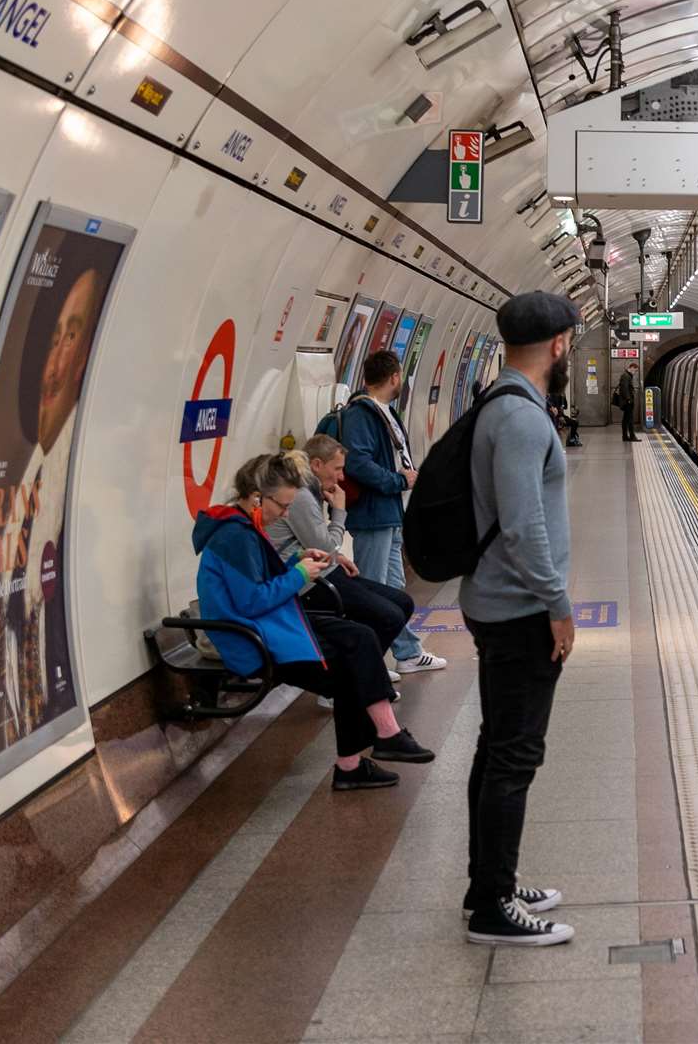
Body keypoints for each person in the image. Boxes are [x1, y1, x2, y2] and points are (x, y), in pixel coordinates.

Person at [193, 454, 434, 789]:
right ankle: (367, 752)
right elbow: (252, 601)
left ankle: (374, 746)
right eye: (283, 505)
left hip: (270, 624)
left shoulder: (240, 527)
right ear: (257, 497)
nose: (286, 513)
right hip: (252, 639)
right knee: (355, 657)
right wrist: (299, 575)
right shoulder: (235, 536)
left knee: (360, 641)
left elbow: (255, 584)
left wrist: (296, 560)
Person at [460, 291, 579, 947]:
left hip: (501, 605)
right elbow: (523, 526)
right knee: (513, 758)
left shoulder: (504, 403)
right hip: (519, 613)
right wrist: (558, 605)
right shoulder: (524, 420)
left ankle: (491, 883)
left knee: (496, 749)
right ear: (559, 345)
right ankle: (493, 908)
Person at [0, 268, 105, 748]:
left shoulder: (79, 466)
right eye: (53, 339)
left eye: (71, 339)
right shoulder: (31, 481)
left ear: (85, 360)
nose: (52, 367)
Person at [268, 440, 412, 701]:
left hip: (322, 570)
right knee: (389, 616)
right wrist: (340, 510)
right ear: (316, 465)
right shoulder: (300, 495)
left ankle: (363, 673)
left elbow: (323, 546)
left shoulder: (308, 491)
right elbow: (325, 544)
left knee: (402, 603)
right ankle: (347, 683)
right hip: (308, 584)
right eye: (337, 469)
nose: (342, 477)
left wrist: (338, 555)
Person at [340, 350, 446, 675]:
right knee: (372, 588)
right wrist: (397, 480)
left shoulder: (385, 412)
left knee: (393, 587)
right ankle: (368, 659)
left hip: (390, 512)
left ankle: (407, 651)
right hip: (373, 514)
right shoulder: (362, 414)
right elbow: (356, 462)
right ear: (395, 377)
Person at [613, 365, 639, 442]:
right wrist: (628, 399)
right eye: (635, 370)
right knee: (630, 419)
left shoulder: (627, 375)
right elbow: (624, 388)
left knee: (626, 419)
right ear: (631, 368)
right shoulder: (626, 376)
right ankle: (631, 436)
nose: (635, 372)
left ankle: (625, 436)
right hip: (627, 402)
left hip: (627, 401)